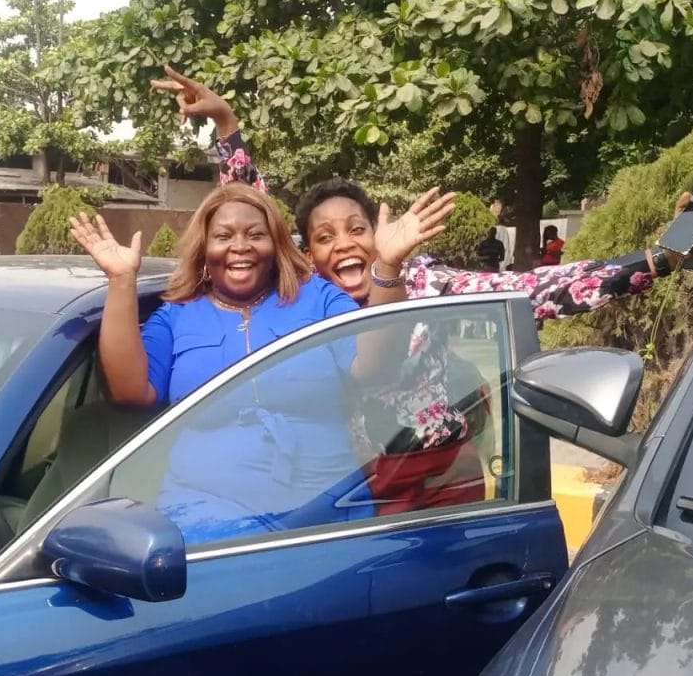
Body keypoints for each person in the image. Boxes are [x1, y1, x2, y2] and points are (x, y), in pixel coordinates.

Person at [150, 66, 693, 512]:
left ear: (380, 232)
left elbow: (540, 288)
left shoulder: (424, 280)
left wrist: (660, 258)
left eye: (357, 229)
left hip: (446, 478)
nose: (342, 245)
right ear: (308, 251)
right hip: (354, 486)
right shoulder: (309, 295)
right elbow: (249, 212)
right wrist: (227, 124)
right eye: (323, 237)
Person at [69, 179, 450, 542]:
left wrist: (387, 267)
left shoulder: (318, 298)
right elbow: (130, 391)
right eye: (223, 236)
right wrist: (121, 281)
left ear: (276, 245)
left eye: (255, 234)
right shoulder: (177, 315)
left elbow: (373, 366)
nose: (240, 246)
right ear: (205, 249)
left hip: (327, 514)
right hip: (207, 520)